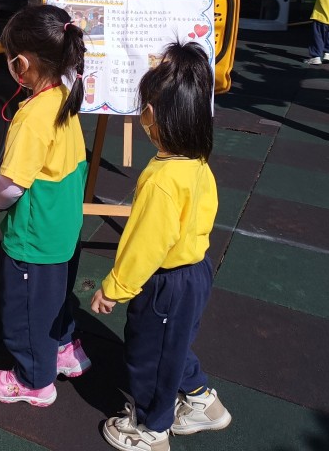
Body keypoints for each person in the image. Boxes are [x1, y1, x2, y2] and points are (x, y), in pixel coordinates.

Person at [92, 41, 231, 450]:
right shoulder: (197, 162)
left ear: (151, 114)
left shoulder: (162, 180)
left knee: (149, 355)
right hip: (196, 273)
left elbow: (146, 245)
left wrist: (115, 287)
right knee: (175, 343)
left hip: (166, 283)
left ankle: (152, 430)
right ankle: (203, 402)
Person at [0, 4, 90, 407]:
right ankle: (64, 349)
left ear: (21, 64)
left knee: (27, 312)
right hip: (64, 229)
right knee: (55, 298)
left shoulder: (30, 117)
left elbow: (12, 186)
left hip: (35, 239)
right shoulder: (64, 96)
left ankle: (34, 380)